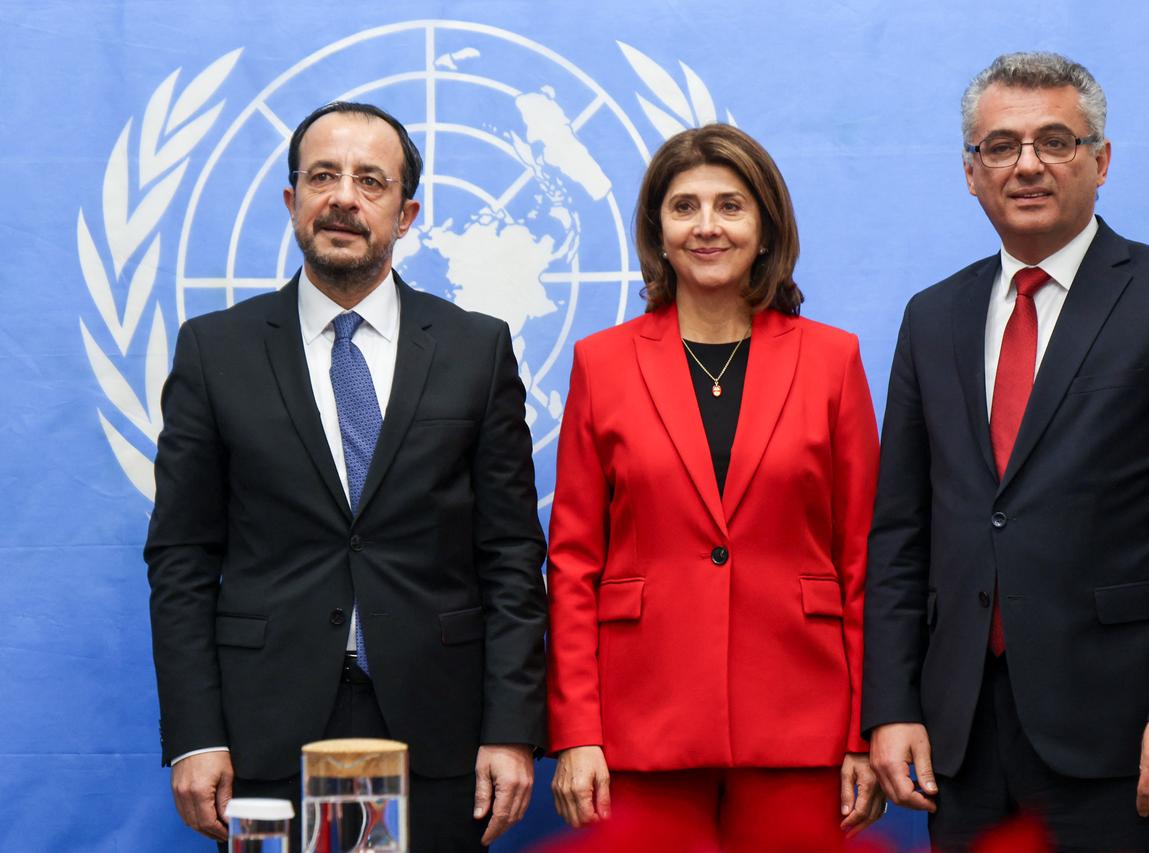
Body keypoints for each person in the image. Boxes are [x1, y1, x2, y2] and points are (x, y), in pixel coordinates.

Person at [862, 52, 1149, 852]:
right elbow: (901, 534)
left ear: (1101, 160)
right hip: (962, 736)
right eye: (1001, 146)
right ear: (971, 172)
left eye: (1057, 141)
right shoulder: (932, 315)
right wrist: (892, 706)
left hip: (1126, 734)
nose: (1029, 165)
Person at [145, 101, 548, 851]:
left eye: (371, 181)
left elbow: (512, 556)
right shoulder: (215, 351)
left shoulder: (475, 350)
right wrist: (194, 734)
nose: (343, 197)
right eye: (322, 176)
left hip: (441, 730)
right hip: (263, 731)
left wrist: (512, 729)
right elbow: (182, 559)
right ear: (292, 200)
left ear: (407, 213)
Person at [545, 123, 885, 851]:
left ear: (765, 228)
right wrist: (577, 730)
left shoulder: (832, 360)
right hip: (642, 729)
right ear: (657, 232)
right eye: (684, 207)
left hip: (804, 725)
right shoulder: (601, 365)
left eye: (730, 206)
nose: (707, 226)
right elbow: (573, 564)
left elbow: (864, 559)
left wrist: (866, 728)